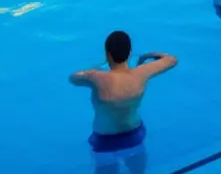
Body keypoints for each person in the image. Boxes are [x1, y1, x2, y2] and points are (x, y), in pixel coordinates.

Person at [69, 30, 177, 170]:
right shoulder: (141, 73)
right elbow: (172, 60)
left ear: (107, 54)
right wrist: (146, 56)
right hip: (134, 136)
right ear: (130, 52)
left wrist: (98, 67)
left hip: (104, 142)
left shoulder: (95, 77)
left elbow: (73, 78)